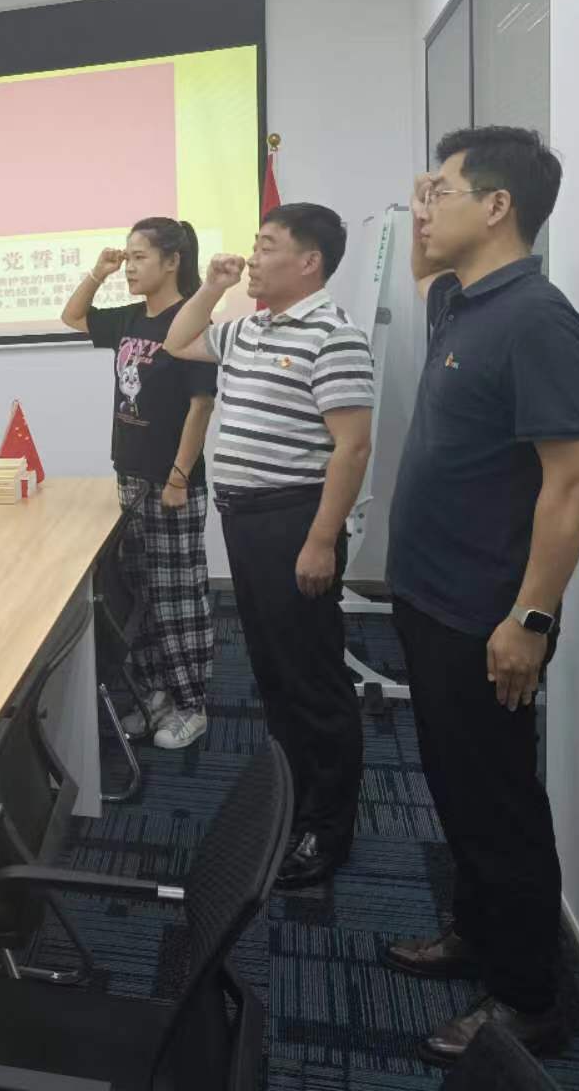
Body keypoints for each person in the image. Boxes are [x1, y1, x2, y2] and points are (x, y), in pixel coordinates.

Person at [384, 126, 579, 1064]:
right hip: (429, 599)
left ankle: (528, 1001)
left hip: (487, 615)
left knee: (500, 805)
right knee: (456, 788)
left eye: (441, 190)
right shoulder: (462, 302)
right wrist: (427, 210)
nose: (424, 206)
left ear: (498, 205)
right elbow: (422, 268)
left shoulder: (537, 319)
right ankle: (476, 932)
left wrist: (531, 618)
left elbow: (576, 480)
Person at [161, 203, 375, 887]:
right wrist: (211, 286)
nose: (252, 257)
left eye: (267, 245)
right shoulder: (249, 327)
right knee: (274, 671)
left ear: (309, 262)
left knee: (313, 679)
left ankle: (327, 830)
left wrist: (321, 542)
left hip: (294, 522)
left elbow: (353, 446)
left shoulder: (333, 335)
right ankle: (293, 802)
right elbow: (178, 342)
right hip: (247, 521)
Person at [61, 218, 218, 749]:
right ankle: (156, 693)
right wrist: (98, 273)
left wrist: (178, 477)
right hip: (129, 475)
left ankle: (191, 704)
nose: (129, 267)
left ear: (172, 262)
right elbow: (72, 316)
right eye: (126, 257)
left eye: (139, 257)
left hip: (171, 483)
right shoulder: (130, 317)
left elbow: (201, 406)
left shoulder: (189, 320)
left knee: (178, 594)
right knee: (142, 591)